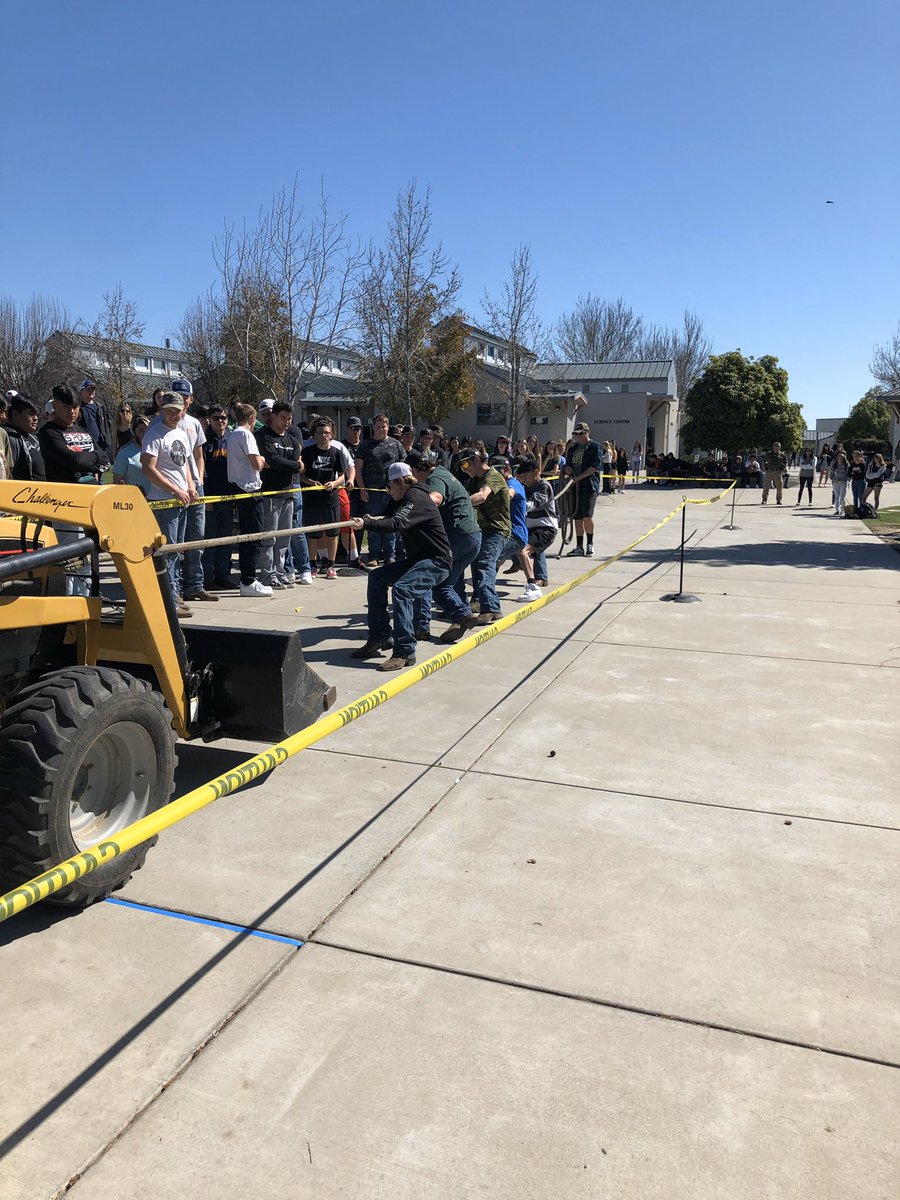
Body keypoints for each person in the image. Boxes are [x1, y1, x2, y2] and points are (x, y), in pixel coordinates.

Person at [350, 461, 451, 671]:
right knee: (377, 577)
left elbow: (396, 524)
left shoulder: (416, 498)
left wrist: (367, 524)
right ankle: (380, 636)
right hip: (419, 559)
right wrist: (367, 519)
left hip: (437, 560)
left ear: (400, 482)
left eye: (389, 487)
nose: (388, 491)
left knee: (402, 590)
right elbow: (387, 517)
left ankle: (405, 651)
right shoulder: (402, 498)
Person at [404, 449, 482, 643]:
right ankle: (461, 616)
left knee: (426, 576)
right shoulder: (445, 472)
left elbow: (436, 498)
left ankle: (421, 628)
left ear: (415, 469)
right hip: (472, 537)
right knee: (444, 584)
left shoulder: (434, 479)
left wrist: (409, 510)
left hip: (458, 536)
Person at [39, 384, 106, 597]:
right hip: (65, 504)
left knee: (89, 553)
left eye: (75, 406)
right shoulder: (48, 432)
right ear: (55, 405)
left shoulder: (82, 430)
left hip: (89, 502)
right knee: (70, 556)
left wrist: (86, 461)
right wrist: (88, 461)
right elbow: (71, 460)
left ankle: (87, 596)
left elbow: (103, 458)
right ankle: (70, 600)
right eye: (66, 407)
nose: (72, 412)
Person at [140, 393, 197, 617]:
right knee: (167, 551)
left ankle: (173, 594)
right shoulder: (154, 435)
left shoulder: (180, 433)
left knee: (176, 551)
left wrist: (190, 487)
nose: (174, 414)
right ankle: (166, 599)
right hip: (163, 502)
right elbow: (148, 468)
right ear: (162, 410)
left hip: (181, 500)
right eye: (169, 410)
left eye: (177, 410)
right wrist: (175, 490)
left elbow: (185, 466)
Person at [255, 400, 304, 589]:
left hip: (288, 493)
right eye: (282, 418)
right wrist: (293, 465)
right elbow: (273, 461)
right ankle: (268, 575)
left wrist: (292, 465)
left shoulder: (291, 440)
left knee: (284, 538)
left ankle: (280, 571)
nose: (286, 422)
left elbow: (295, 464)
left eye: (289, 419)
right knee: (269, 537)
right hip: (269, 494)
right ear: (273, 416)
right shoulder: (264, 436)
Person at [459, 446, 510, 625]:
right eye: (461, 466)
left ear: (478, 460)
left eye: (466, 463)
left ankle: (491, 608)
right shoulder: (474, 479)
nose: (464, 468)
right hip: (482, 529)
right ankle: (478, 603)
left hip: (497, 529)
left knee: (485, 565)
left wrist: (460, 505)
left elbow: (482, 496)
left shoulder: (492, 476)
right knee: (474, 565)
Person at [225, 403, 272, 597]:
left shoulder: (233, 434)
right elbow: (256, 463)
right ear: (252, 419)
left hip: (239, 487)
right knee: (254, 536)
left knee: (247, 535)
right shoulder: (246, 435)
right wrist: (262, 459)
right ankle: (249, 579)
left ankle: (248, 578)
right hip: (250, 489)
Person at [355, 413, 405, 567]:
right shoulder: (365, 445)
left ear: (388, 427)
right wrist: (362, 489)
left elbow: (404, 467)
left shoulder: (396, 444)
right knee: (373, 524)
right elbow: (358, 469)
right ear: (373, 428)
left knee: (390, 524)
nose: (381, 429)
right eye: (378, 427)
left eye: (384, 427)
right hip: (372, 492)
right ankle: (374, 556)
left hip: (392, 492)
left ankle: (390, 556)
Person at [300, 417, 346, 578]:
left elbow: (342, 476)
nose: (324, 436)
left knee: (333, 533)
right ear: (315, 435)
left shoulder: (337, 452)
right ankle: (312, 566)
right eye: (320, 433)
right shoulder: (307, 452)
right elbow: (301, 475)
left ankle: (330, 567)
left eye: (327, 433)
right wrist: (310, 481)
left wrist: (334, 484)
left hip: (331, 499)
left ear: (331, 434)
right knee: (314, 534)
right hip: (312, 499)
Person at [200, 406, 238, 590]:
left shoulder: (231, 439)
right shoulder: (204, 440)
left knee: (225, 540)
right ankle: (207, 579)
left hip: (228, 497)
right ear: (209, 420)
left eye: (223, 418)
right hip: (210, 498)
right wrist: (205, 497)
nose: (221, 421)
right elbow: (202, 471)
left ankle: (223, 576)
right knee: (209, 541)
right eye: (216, 418)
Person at [493, 456, 541, 603]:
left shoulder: (511, 483)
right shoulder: (507, 483)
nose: (494, 474)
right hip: (511, 532)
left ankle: (483, 590)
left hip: (514, 533)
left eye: (497, 471)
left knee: (491, 558)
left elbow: (509, 493)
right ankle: (532, 585)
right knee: (498, 559)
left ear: (506, 470)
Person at [515, 456, 558, 588]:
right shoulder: (526, 486)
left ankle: (535, 582)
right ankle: (519, 564)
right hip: (531, 526)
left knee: (526, 548)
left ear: (536, 472)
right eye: (521, 477)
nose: (524, 479)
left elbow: (534, 503)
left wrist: (516, 504)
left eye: (525, 476)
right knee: (513, 543)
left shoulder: (543, 486)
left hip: (546, 527)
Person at [563, 421, 601, 556]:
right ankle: (579, 546)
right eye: (576, 434)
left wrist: (579, 477)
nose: (577, 437)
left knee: (587, 516)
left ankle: (590, 544)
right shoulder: (572, 449)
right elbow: (567, 465)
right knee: (577, 517)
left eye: (580, 434)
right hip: (574, 487)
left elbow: (594, 466)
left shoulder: (595, 447)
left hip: (589, 486)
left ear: (586, 433)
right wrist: (568, 470)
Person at [75, 378, 112, 469]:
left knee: (101, 469)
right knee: (88, 470)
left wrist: (108, 438)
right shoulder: (77, 408)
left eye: (93, 390)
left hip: (100, 444)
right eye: (88, 389)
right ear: (81, 392)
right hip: (85, 444)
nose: (91, 392)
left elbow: (108, 423)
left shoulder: (100, 407)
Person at [7, 396, 45, 480]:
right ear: (15, 414)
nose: (35, 418)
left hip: (44, 491)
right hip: (23, 491)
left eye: (36, 415)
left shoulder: (34, 438)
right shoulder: (9, 438)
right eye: (31, 414)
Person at [112, 413, 151, 491]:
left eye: (147, 430)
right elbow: (117, 482)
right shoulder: (125, 453)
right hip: (136, 499)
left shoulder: (157, 450)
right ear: (134, 432)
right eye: (141, 431)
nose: (145, 434)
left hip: (159, 500)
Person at [829, 451, 850, 516]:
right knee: (837, 497)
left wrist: (845, 479)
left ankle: (842, 510)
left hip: (843, 482)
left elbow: (849, 475)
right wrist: (834, 479)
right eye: (839, 458)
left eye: (841, 459)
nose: (840, 460)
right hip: (836, 483)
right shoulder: (834, 465)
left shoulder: (847, 465)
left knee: (842, 497)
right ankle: (837, 510)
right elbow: (831, 474)